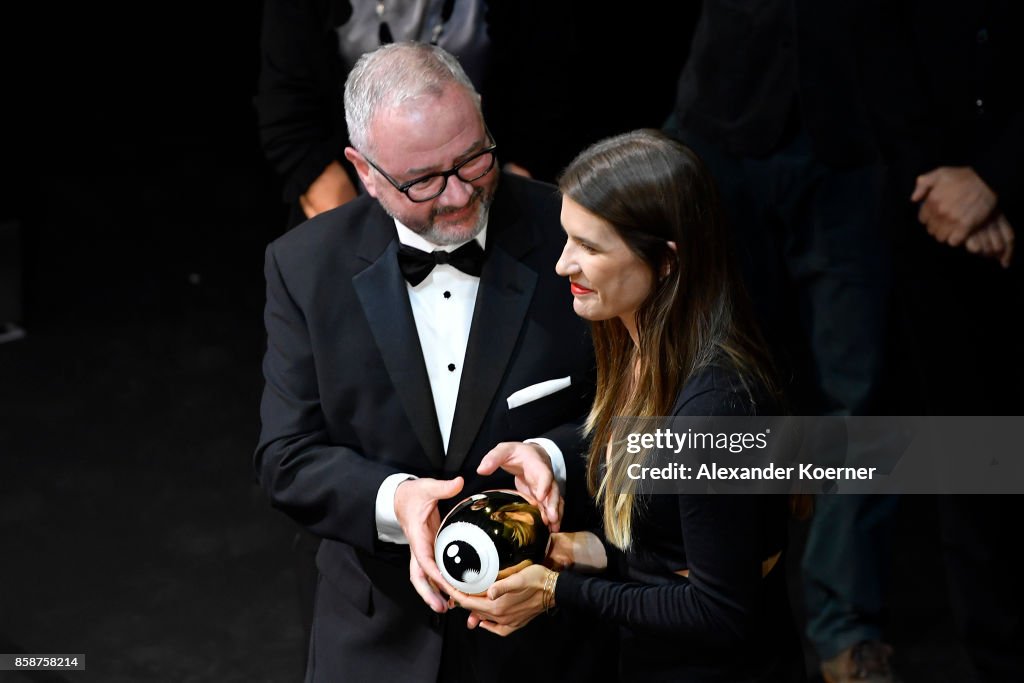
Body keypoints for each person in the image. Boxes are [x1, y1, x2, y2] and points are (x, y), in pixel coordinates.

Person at [254, 41, 613, 682]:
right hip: (374, 639)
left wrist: (555, 459)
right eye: (421, 180)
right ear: (363, 171)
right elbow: (288, 458)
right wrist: (398, 500)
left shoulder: (574, 235)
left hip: (551, 639)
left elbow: (643, 418)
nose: (456, 195)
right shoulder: (303, 267)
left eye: (473, 160)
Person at [453, 130, 808, 682]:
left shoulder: (712, 408)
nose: (562, 265)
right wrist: (591, 554)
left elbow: (721, 612)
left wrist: (557, 589)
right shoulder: (633, 343)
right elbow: (666, 560)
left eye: (590, 247)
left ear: (666, 261)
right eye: (566, 238)